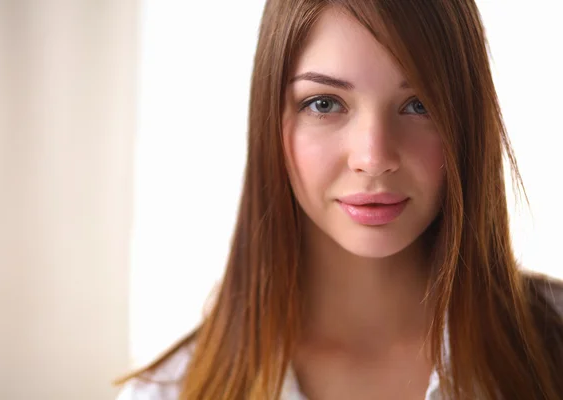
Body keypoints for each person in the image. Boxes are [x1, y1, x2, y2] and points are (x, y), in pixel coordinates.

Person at [116, 0, 563, 398]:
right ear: (270, 119)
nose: (374, 158)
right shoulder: (171, 392)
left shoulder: (553, 343)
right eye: (325, 104)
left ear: (468, 122)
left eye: (420, 104)